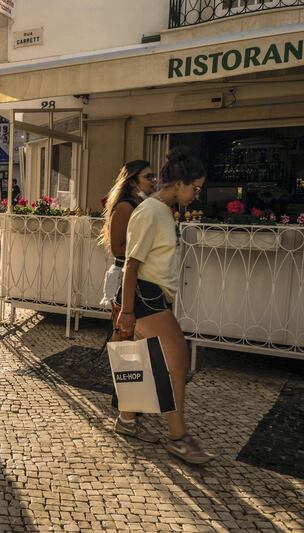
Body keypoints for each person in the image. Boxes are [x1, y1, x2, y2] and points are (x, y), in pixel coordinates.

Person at [115, 147, 213, 465]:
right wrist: (127, 312)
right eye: (194, 188)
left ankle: (127, 420)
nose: (196, 195)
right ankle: (178, 438)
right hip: (147, 297)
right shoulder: (151, 211)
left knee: (141, 364)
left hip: (149, 296)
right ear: (178, 183)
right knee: (177, 365)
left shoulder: (161, 211)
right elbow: (131, 263)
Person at [100, 161, 156, 308]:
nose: (153, 180)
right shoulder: (125, 207)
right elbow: (118, 249)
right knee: (125, 328)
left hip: (143, 276)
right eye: (148, 177)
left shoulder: (144, 204)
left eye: (154, 176)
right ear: (132, 182)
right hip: (128, 278)